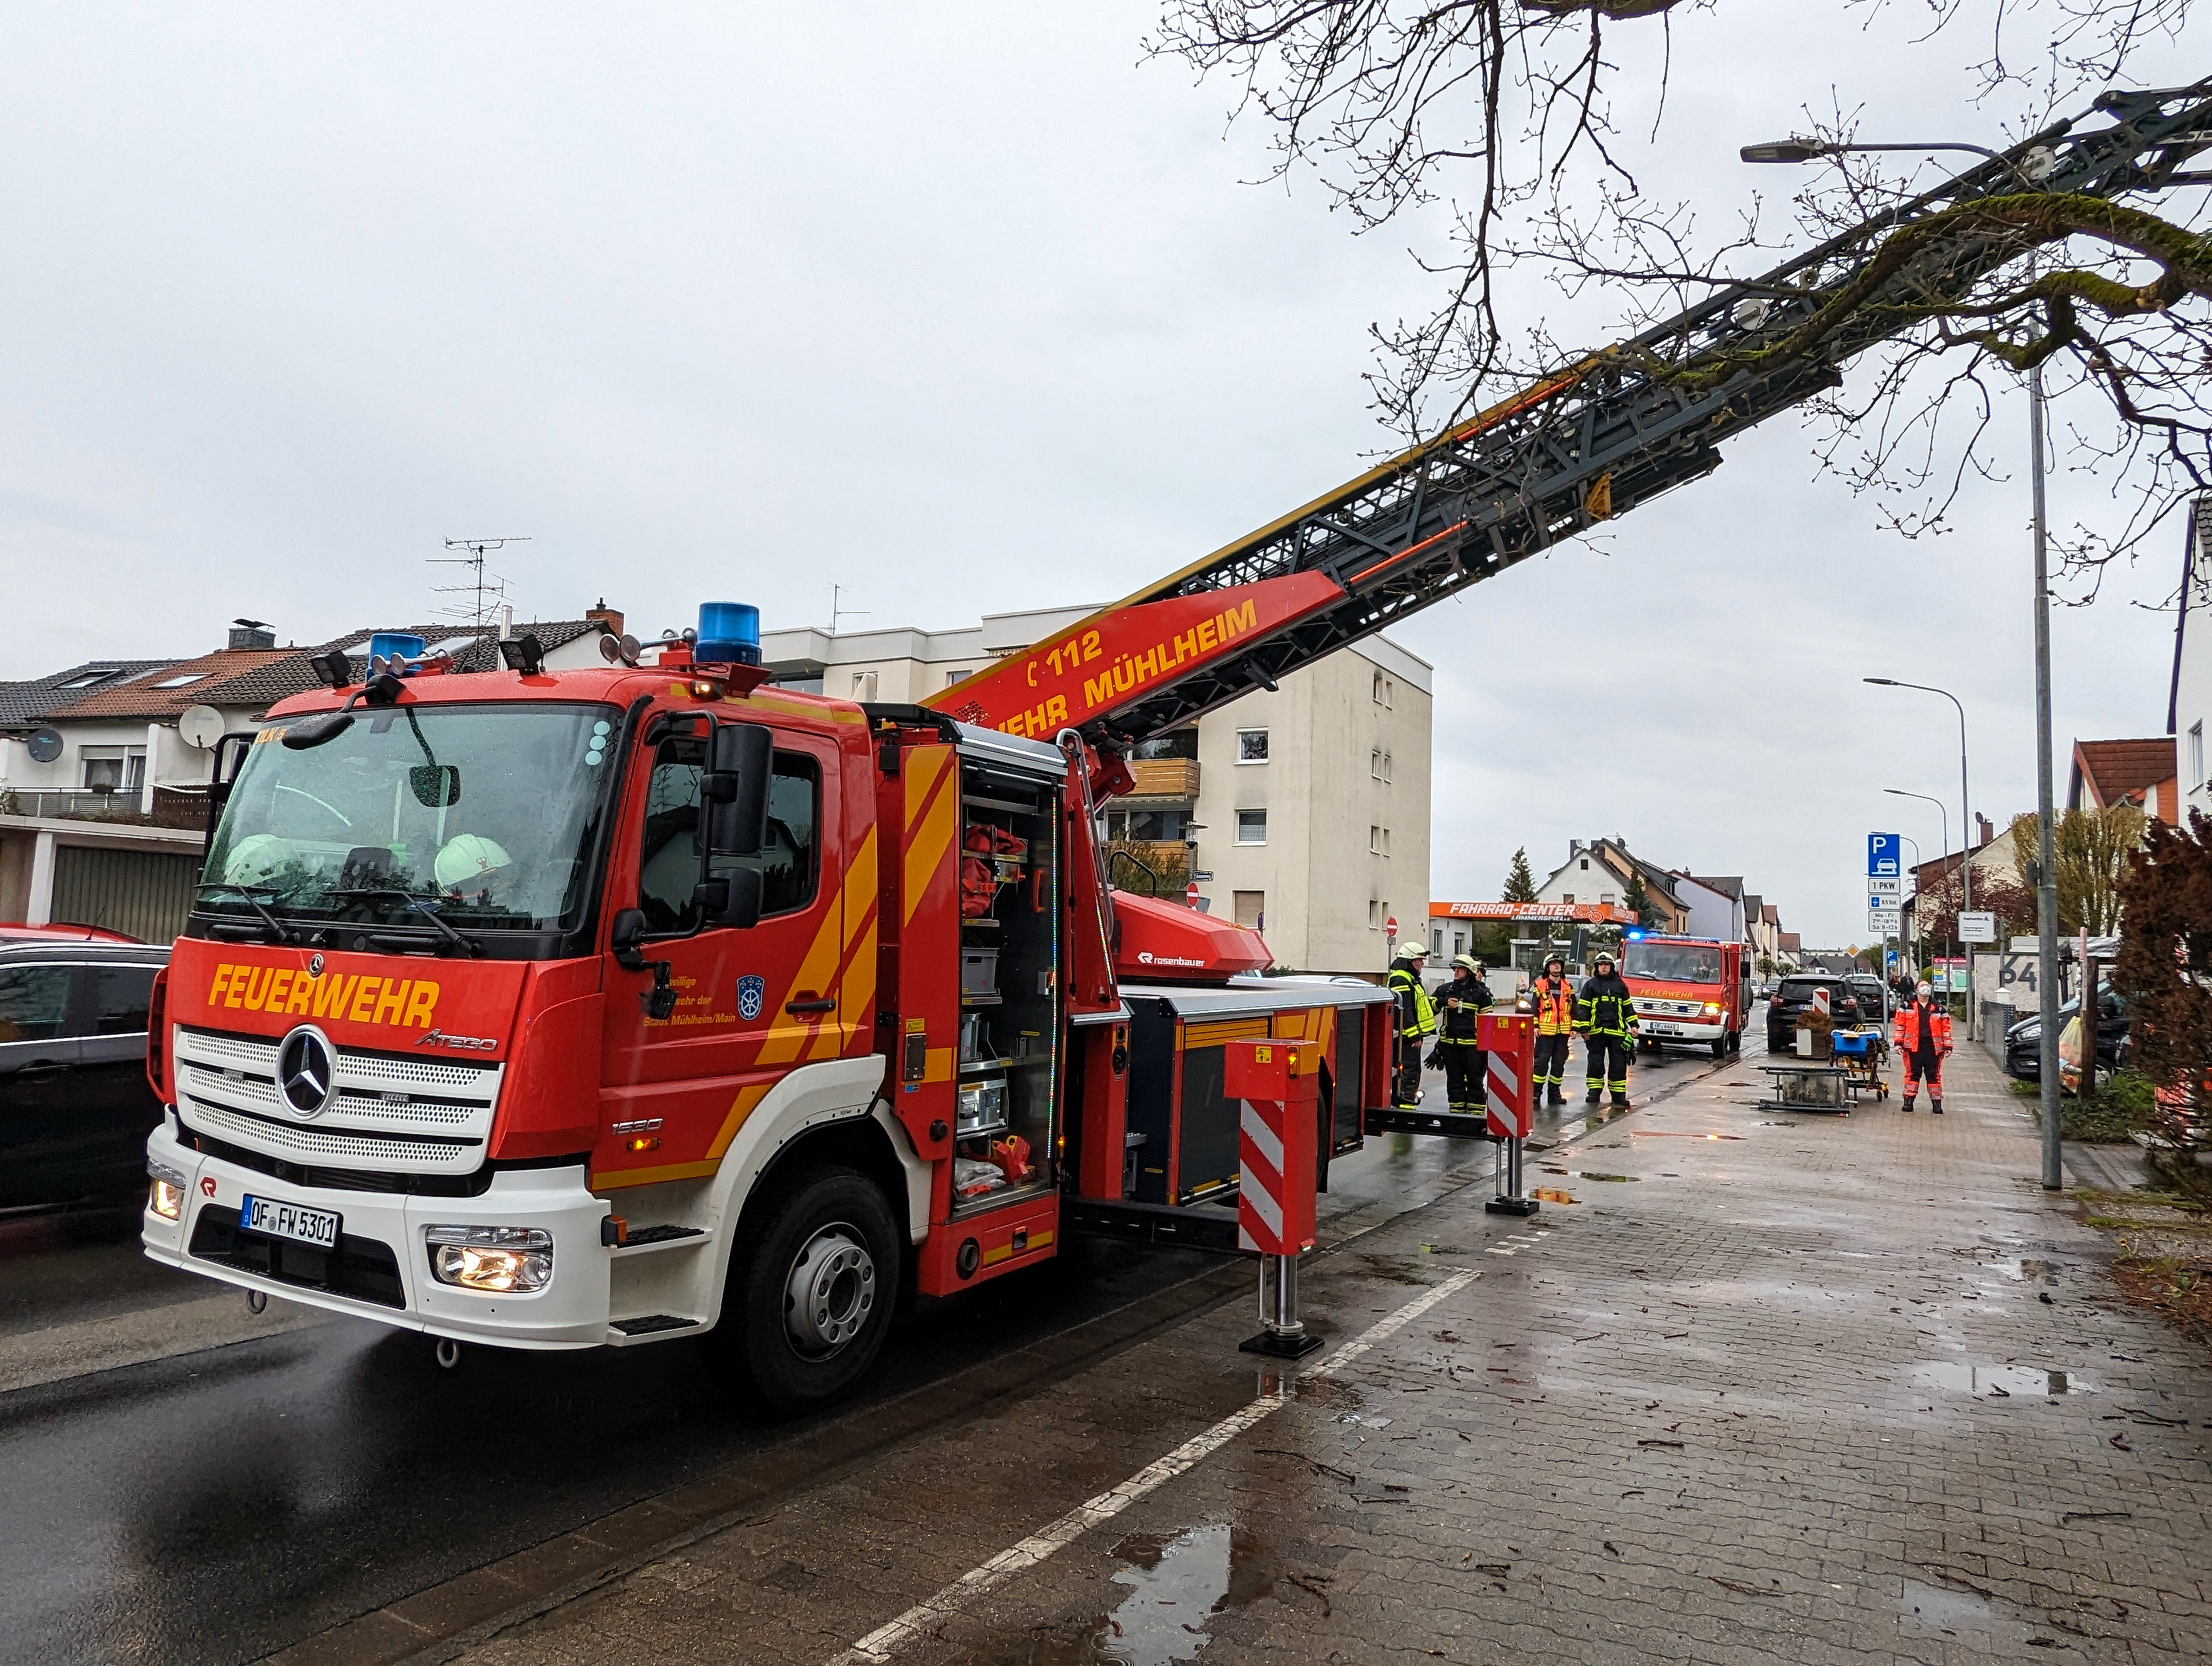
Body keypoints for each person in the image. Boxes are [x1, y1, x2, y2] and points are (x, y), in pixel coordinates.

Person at [1430, 954, 1494, 1114]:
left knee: (1475, 1082)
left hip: (1473, 1048)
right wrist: (1442, 1002)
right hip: (1450, 1046)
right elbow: (1428, 1008)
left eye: (1460, 968)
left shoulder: (1481, 994)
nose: (1456, 971)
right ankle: (1457, 1117)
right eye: (1454, 968)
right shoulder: (1445, 990)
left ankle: (1476, 1116)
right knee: (1454, 1083)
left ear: (1470, 971)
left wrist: (1487, 1050)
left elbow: (1488, 1025)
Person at [1575, 949, 1638, 1110]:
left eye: (1606, 965)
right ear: (1597, 967)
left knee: (1618, 1065)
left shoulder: (1620, 985)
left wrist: (1634, 1025)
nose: (1603, 968)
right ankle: (1594, 1093)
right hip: (1596, 1032)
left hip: (1617, 1033)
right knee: (1595, 1064)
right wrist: (1584, 1028)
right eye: (1601, 965)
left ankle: (1618, 1096)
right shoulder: (1591, 985)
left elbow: (1627, 1007)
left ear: (1611, 967)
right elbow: (1583, 1009)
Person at [1386, 943, 1437, 1108]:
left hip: (1409, 1036)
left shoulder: (1410, 978)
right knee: (1409, 1071)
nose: (1422, 963)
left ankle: (1407, 1103)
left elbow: (1417, 1007)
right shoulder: (1401, 978)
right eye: (1419, 960)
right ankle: (1406, 1106)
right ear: (1410, 960)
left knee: (1412, 1070)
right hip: (1407, 1037)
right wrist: (1414, 1036)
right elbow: (1405, 1010)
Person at [1893, 978, 1952, 1112]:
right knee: (1912, 1075)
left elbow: (1946, 1029)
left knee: (1934, 1075)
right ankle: (1908, 1101)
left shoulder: (1938, 1008)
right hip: (1913, 1048)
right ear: (1916, 990)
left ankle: (1937, 1104)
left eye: (1927, 985)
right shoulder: (1907, 1006)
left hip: (1933, 1048)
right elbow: (1900, 1026)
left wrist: (1948, 1047)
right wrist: (1898, 1044)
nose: (1926, 988)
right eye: (1923, 986)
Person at [1529, 952, 1576, 1106]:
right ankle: (1535, 1094)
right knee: (1541, 1063)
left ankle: (1554, 1094)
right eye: (1553, 963)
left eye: (1559, 964)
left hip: (1563, 1033)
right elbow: (1534, 1009)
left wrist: (1575, 1027)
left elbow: (1574, 1009)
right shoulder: (1540, 985)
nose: (1557, 966)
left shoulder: (1568, 987)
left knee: (1558, 1064)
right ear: (1547, 967)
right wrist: (1535, 1026)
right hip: (1545, 1033)